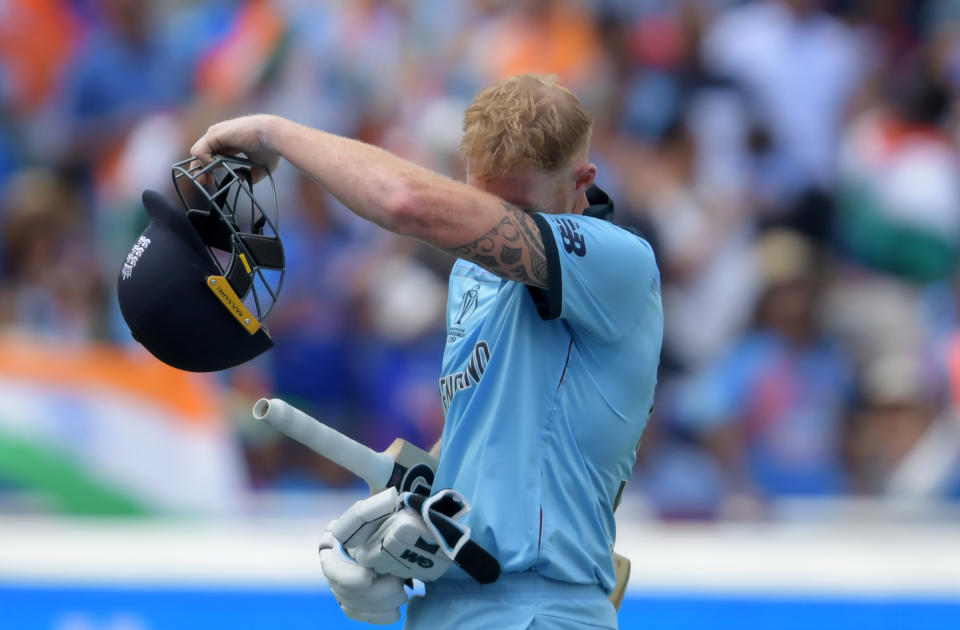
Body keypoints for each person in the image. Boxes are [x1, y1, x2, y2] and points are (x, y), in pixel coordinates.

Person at [190, 73, 663, 629]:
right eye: (477, 200)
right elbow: (483, 444)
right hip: (447, 606)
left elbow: (405, 202)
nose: (484, 229)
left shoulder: (618, 261)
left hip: (538, 607)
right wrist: (397, 529)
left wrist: (275, 132)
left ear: (581, 181)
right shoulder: (470, 273)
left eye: (511, 212)